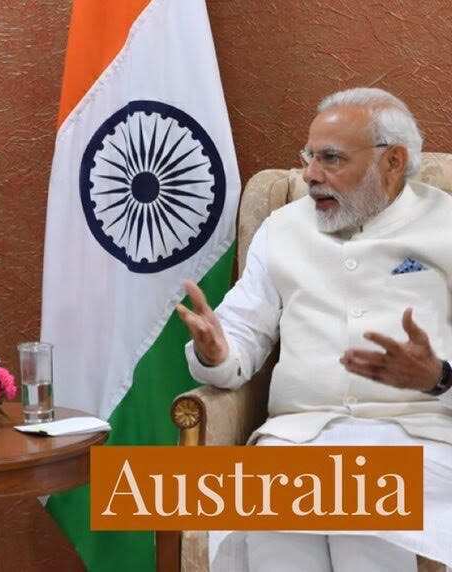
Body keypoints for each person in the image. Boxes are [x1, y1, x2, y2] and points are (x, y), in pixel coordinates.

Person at [177, 87, 451, 571]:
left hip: (416, 439)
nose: (309, 175)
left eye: (331, 159)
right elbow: (241, 333)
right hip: (296, 439)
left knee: (366, 530)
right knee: (274, 534)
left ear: (392, 162)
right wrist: (218, 351)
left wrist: (438, 376)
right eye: (308, 157)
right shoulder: (282, 227)